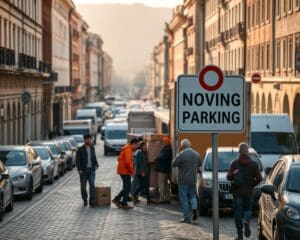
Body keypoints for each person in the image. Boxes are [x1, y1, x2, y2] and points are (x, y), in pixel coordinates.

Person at [227, 142, 262, 240]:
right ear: (247, 151)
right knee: (248, 209)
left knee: (237, 213)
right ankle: (246, 221)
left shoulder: (234, 163)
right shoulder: (254, 164)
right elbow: (259, 178)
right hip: (248, 192)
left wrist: (234, 174)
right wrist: (252, 185)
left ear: (239, 151)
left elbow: (228, 177)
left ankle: (240, 236)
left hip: (237, 192)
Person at [172, 139, 200, 223]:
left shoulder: (181, 154)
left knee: (183, 197)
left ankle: (187, 217)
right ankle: (194, 208)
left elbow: (174, 164)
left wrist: (178, 155)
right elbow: (200, 164)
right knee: (192, 195)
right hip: (193, 179)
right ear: (190, 145)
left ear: (182, 146)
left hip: (183, 179)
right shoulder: (196, 154)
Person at [112, 138, 139, 209]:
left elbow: (119, 158)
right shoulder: (128, 150)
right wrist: (132, 171)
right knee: (127, 187)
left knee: (126, 187)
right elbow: (127, 163)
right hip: (125, 171)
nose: (137, 147)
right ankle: (123, 203)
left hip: (123, 170)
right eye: (137, 145)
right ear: (133, 144)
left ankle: (117, 200)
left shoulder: (126, 148)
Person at [76, 133, 99, 207]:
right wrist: (79, 169)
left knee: (92, 185)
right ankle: (85, 199)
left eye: (90, 139)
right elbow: (77, 160)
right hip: (83, 171)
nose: (89, 141)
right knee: (83, 187)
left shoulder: (92, 148)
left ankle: (92, 202)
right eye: (87, 139)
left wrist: (96, 165)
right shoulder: (80, 149)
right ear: (85, 140)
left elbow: (94, 157)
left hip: (91, 170)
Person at [155, 136, 173, 204]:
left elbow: (163, 157)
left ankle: (161, 199)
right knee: (165, 184)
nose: (162, 143)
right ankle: (167, 198)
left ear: (165, 142)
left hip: (163, 169)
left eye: (163, 142)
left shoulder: (167, 149)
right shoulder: (167, 148)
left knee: (161, 184)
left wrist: (157, 158)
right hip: (165, 169)